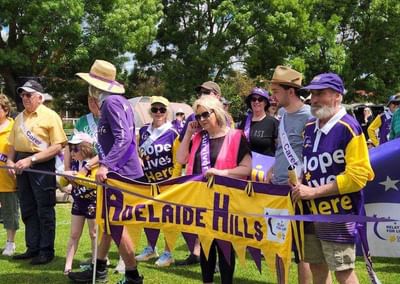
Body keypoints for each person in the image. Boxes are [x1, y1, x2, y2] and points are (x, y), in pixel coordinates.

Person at [292, 73, 374, 284]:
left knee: (342, 270)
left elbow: (358, 177)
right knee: (317, 266)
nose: (314, 99)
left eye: (320, 93)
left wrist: (313, 192)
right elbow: (309, 163)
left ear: (337, 96)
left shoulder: (349, 128)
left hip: (338, 212)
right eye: (312, 93)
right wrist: (300, 180)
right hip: (311, 212)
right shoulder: (310, 127)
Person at [68, 60, 144, 284]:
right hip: (119, 171)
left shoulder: (111, 102)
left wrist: (106, 165)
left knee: (116, 225)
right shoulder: (114, 103)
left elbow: (124, 138)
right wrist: (94, 163)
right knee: (110, 225)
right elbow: (114, 140)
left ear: (95, 86)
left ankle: (133, 276)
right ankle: (98, 270)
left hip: (120, 174)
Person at [177, 96, 252, 284]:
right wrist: (187, 134)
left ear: (216, 113)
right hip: (201, 201)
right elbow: (180, 159)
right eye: (198, 116)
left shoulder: (236, 136)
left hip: (226, 201)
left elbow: (247, 168)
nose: (201, 119)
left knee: (224, 246)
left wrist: (221, 172)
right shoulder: (197, 138)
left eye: (205, 114)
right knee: (205, 246)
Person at [7, 80, 67, 264]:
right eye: (22, 95)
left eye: (28, 95)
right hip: (21, 164)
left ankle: (46, 251)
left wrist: (30, 160)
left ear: (39, 97)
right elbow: (11, 144)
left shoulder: (51, 116)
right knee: (27, 207)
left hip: (41, 164)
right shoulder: (19, 118)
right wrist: (10, 160)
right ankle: (32, 248)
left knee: (44, 209)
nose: (24, 98)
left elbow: (58, 146)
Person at [266, 65, 312, 284]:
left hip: (297, 192)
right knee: (277, 244)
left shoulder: (310, 116)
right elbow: (282, 147)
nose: (272, 97)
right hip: (276, 189)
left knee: (303, 251)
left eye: (276, 91)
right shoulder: (282, 114)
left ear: (290, 91)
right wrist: (273, 167)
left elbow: (312, 152)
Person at [175, 80, 223, 266]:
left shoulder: (226, 120)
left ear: (217, 95)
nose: (202, 95)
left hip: (218, 180)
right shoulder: (193, 119)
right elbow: (181, 157)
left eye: (207, 92)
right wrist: (188, 134)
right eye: (200, 92)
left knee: (217, 224)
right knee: (200, 222)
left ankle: (219, 259)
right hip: (197, 179)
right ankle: (198, 254)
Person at [135, 96, 181, 267]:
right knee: (149, 217)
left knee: (168, 218)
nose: (158, 113)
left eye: (162, 109)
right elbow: (137, 152)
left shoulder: (173, 132)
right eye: (155, 109)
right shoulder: (144, 131)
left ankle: (168, 252)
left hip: (167, 183)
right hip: (148, 182)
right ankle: (151, 248)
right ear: (150, 111)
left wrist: (173, 181)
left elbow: (178, 160)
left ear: (167, 111)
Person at [60, 132, 97, 275]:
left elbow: (95, 184)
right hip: (78, 201)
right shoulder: (74, 163)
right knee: (74, 234)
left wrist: (77, 176)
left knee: (94, 234)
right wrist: (65, 179)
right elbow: (63, 183)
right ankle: (67, 266)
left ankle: (96, 263)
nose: (72, 152)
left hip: (93, 202)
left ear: (85, 148)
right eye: (71, 148)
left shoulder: (95, 165)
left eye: (75, 149)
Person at [0, 94, 18, 256]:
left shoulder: (14, 127)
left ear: (5, 110)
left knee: (10, 213)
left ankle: (10, 243)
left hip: (8, 180)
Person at [239, 87, 278, 156]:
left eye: (260, 99)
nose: (256, 102)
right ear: (250, 102)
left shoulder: (273, 122)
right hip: (247, 163)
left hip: (266, 164)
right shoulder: (245, 121)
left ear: (265, 103)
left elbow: (280, 146)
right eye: (253, 99)